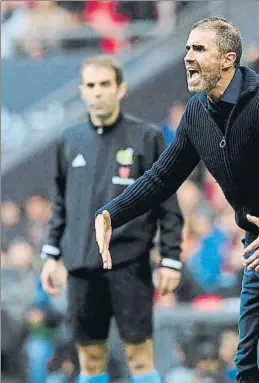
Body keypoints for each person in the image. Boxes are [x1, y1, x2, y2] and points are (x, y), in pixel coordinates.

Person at [95, 17, 259, 383]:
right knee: (246, 369)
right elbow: (162, 177)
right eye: (187, 49)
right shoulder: (197, 113)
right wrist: (111, 213)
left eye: (199, 49)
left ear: (228, 59)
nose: (188, 57)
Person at [40, 55, 184, 383]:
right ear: (81, 91)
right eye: (90, 86)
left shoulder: (148, 137)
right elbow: (60, 204)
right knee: (90, 358)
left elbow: (168, 205)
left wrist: (170, 260)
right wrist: (51, 255)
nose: (98, 92)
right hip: (80, 264)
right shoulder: (68, 140)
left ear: (121, 88)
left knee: (138, 354)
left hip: (129, 263)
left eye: (105, 84)